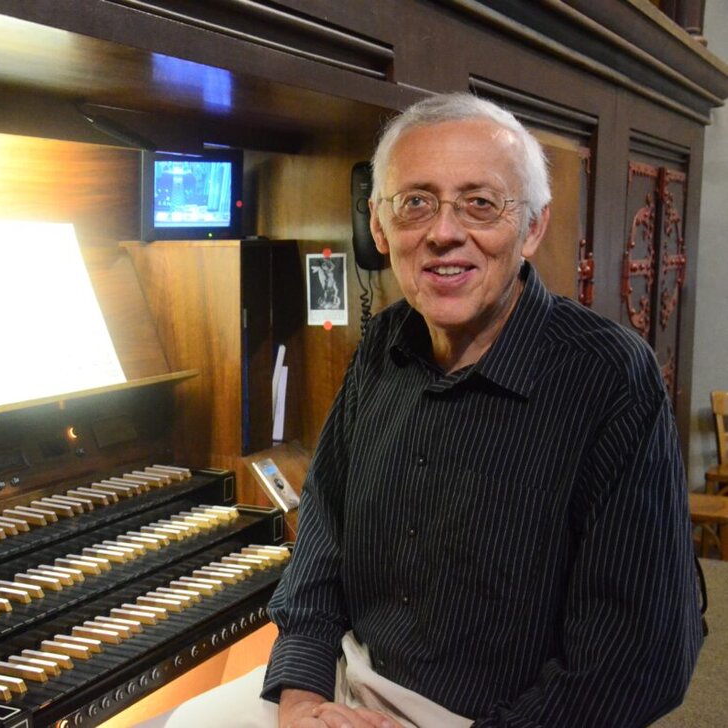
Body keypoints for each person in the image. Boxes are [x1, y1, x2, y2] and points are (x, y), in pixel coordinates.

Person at [139, 93, 703, 728]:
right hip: (347, 684)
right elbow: (322, 539)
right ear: (378, 228)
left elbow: (641, 656)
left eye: (480, 203)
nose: (443, 232)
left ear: (533, 227)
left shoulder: (611, 376)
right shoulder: (383, 341)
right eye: (415, 203)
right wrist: (301, 699)